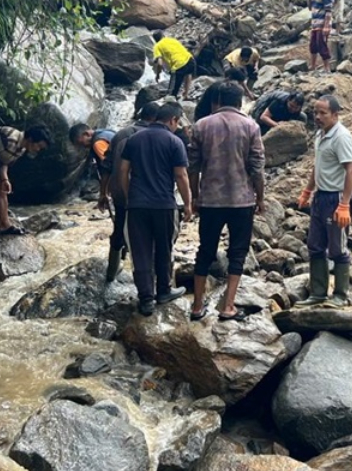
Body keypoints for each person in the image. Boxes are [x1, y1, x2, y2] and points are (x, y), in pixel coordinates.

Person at [188, 82, 265, 322]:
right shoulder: (251, 126)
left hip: (210, 200)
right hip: (241, 201)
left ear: (217, 101)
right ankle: (228, 306)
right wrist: (260, 197)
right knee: (238, 253)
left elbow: (192, 167)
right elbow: (257, 167)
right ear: (240, 102)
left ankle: (198, 306)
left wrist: (194, 197)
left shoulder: (201, 125)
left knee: (205, 252)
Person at [118, 102, 192, 316]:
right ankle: (163, 291)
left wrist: (128, 195)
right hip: (164, 205)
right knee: (164, 248)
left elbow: (123, 171)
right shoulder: (174, 141)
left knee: (140, 251)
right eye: (177, 123)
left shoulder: (133, 140)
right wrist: (187, 204)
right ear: (173, 120)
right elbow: (181, 175)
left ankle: (146, 299)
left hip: (137, 205)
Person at [296, 95, 352, 308]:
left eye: (323, 113)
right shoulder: (321, 135)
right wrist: (307, 190)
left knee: (338, 248)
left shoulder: (342, 137)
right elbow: (318, 165)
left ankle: (341, 294)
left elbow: (351, 171)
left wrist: (345, 204)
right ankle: (318, 292)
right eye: (316, 112)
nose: (318, 117)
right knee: (315, 245)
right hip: (320, 197)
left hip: (336, 197)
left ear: (335, 114)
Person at [102, 102, 161, 283]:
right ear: (155, 118)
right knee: (150, 237)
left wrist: (102, 193)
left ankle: (111, 274)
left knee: (119, 230)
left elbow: (106, 167)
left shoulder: (120, 134)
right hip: (148, 194)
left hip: (120, 192)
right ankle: (152, 282)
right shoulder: (156, 135)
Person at [0, 125, 52, 239]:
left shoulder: (22, 148)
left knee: (1, 189)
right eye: (39, 146)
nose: (38, 150)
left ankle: (4, 225)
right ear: (31, 139)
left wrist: (4, 179)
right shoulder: (10, 138)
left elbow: (4, 162)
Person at [68, 124, 117, 211]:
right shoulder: (106, 133)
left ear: (86, 134)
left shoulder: (98, 143)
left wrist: (104, 194)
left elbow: (109, 167)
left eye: (79, 142)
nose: (82, 146)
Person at [152, 31, 195, 100]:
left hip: (179, 66)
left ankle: (171, 101)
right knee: (188, 73)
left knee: (171, 93)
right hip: (190, 60)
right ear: (163, 35)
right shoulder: (172, 40)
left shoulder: (157, 46)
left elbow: (160, 63)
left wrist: (158, 75)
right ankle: (186, 95)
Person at [306, 0, 335, 72]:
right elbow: (310, 8)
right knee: (313, 45)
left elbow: (329, 11)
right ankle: (313, 65)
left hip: (322, 23)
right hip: (315, 23)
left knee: (321, 44)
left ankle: (327, 67)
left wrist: (326, 26)